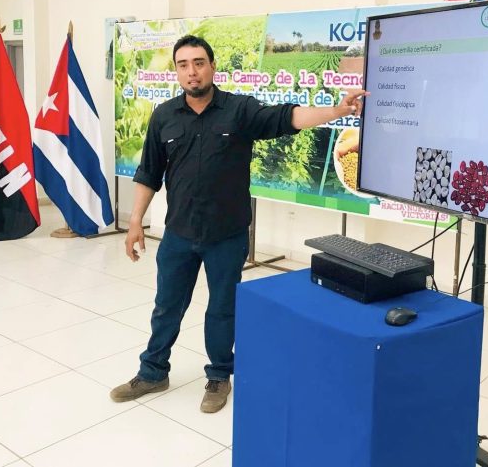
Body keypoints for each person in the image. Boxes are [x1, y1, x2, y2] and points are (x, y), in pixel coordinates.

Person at [110, 35, 367, 413]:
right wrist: (135, 222)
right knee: (166, 305)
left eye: (199, 62)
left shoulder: (239, 111)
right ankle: (152, 372)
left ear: (212, 67)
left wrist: (335, 112)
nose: (192, 71)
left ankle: (218, 377)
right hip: (178, 233)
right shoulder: (164, 116)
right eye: (183, 64)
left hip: (226, 235)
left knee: (223, 308)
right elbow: (149, 172)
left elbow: (287, 117)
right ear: (177, 71)